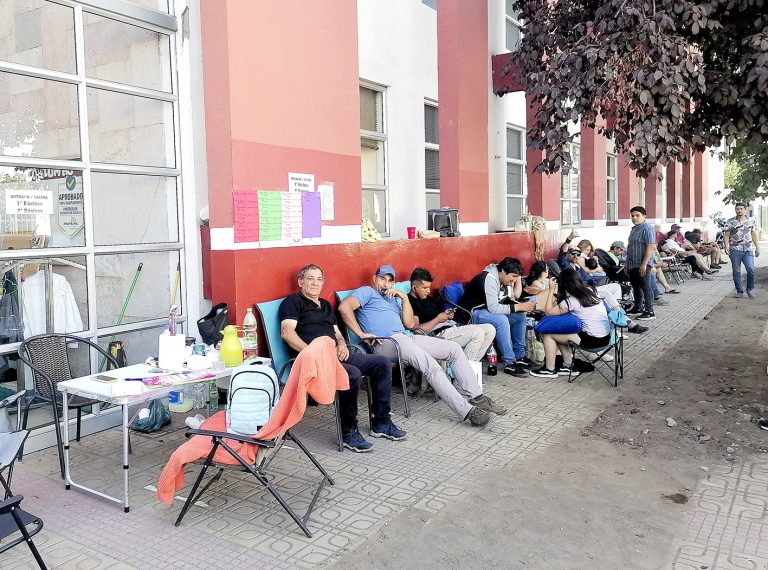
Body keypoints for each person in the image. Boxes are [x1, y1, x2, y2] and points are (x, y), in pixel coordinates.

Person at [338, 265, 507, 428]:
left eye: (390, 281)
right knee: (429, 364)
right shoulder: (367, 292)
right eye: (383, 279)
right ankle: (467, 411)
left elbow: (410, 324)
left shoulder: (394, 298)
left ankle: (476, 396)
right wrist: (361, 334)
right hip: (385, 342)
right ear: (375, 278)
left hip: (406, 337)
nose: (386, 284)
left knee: (453, 349)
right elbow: (344, 307)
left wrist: (403, 298)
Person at [279, 264, 406, 453]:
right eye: (310, 278)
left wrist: (341, 344)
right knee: (352, 374)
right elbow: (287, 333)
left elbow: (337, 333)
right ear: (300, 282)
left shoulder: (326, 306)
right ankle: (348, 432)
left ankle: (381, 422)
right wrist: (312, 353)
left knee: (382, 363)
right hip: (313, 359)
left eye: (319, 279)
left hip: (335, 354)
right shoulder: (293, 303)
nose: (315, 283)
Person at [529, 268, 614, 378]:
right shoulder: (591, 292)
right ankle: (568, 366)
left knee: (548, 334)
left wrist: (551, 290)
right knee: (559, 333)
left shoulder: (572, 301)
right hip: (606, 339)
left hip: (593, 342)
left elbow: (549, 312)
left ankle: (549, 369)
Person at [458, 257, 533, 377]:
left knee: (520, 317)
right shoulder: (489, 279)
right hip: (473, 312)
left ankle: (519, 356)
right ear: (503, 272)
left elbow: (510, 298)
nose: (513, 280)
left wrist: (521, 308)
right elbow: (494, 309)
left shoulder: (502, 277)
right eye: (513, 276)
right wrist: (518, 307)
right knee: (501, 320)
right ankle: (509, 362)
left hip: (486, 310)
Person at [407, 267, 495, 361]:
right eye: (425, 288)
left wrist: (446, 315)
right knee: (477, 333)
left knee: (490, 330)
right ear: (414, 287)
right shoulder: (410, 303)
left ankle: (470, 365)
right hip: (439, 334)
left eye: (429, 287)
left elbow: (437, 315)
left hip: (452, 327)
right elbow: (417, 331)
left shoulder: (428, 299)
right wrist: (438, 319)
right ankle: (464, 371)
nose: (428, 291)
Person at [626, 206, 657, 320]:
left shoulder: (647, 228)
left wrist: (644, 264)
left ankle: (649, 311)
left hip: (642, 263)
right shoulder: (634, 229)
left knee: (645, 286)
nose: (634, 218)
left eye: (637, 215)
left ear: (644, 216)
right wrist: (627, 263)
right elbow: (631, 247)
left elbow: (650, 247)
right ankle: (638, 307)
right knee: (636, 286)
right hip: (632, 263)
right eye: (632, 215)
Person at [724, 202, 760, 298]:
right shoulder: (730, 221)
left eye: (741, 209)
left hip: (748, 249)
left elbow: (753, 234)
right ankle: (739, 291)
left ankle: (750, 289)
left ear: (745, 210)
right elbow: (726, 234)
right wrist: (726, 246)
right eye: (737, 209)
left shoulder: (751, 221)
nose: (739, 210)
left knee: (751, 269)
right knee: (736, 271)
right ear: (735, 210)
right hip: (735, 249)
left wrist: (757, 247)